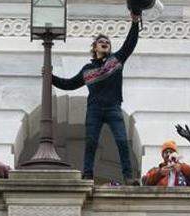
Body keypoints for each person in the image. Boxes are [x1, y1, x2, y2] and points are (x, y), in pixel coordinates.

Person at [51, 13, 141, 183]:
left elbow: (130, 44)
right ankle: (88, 174)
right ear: (95, 48)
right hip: (95, 110)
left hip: (114, 108)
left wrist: (135, 22)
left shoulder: (116, 60)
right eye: (102, 42)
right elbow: (69, 84)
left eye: (107, 42)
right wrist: (51, 77)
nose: (105, 43)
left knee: (122, 141)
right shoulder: (87, 70)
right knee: (91, 143)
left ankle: (128, 177)